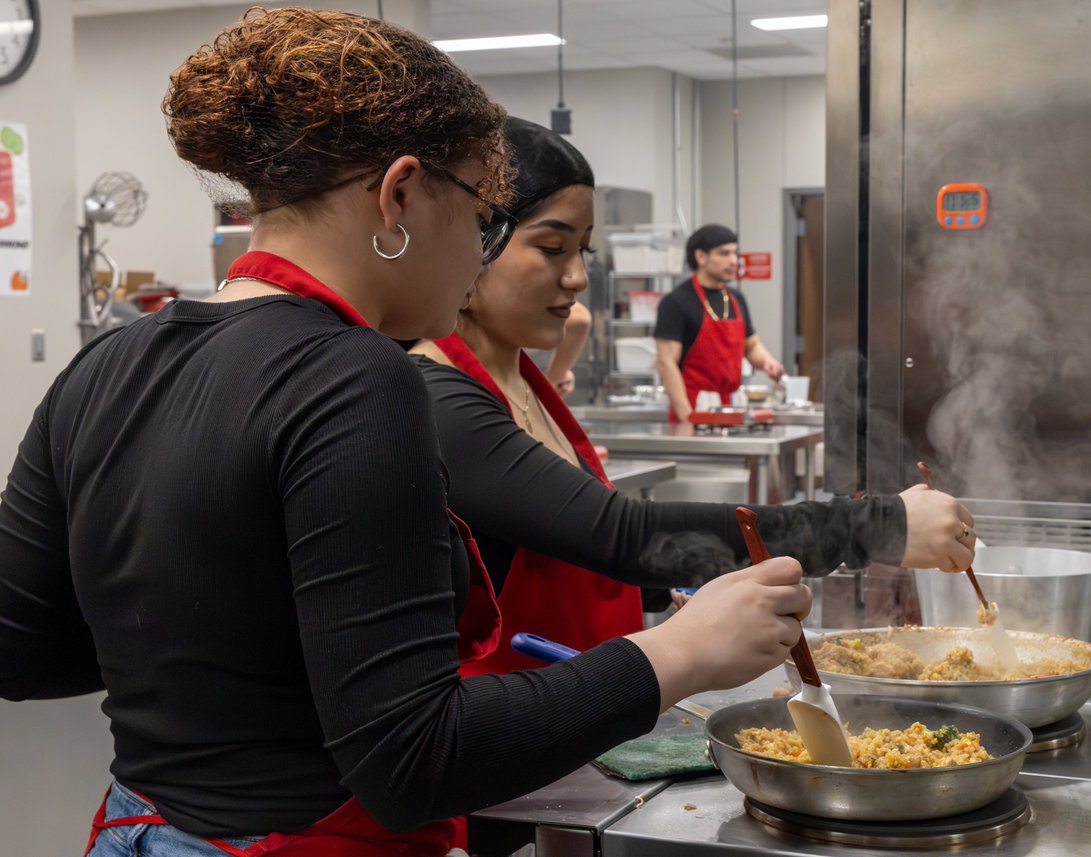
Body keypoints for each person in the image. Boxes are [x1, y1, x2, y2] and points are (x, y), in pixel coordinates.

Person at [0, 10, 814, 857]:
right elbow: (413, 757)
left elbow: (22, 651)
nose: (478, 254)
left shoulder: (106, 365)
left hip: (135, 834)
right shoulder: (355, 377)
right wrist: (677, 652)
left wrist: (208, 649)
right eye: (481, 216)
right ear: (401, 194)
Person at [411, 117, 978, 675]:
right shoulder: (438, 403)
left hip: (590, 723)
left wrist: (660, 596)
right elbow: (620, 534)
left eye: (583, 249)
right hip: (519, 736)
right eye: (553, 247)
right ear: (474, 241)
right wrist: (874, 525)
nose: (578, 277)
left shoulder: (527, 387)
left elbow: (569, 548)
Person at [654, 224, 787, 423]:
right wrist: (687, 417)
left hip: (733, 404)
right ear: (701, 257)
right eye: (724, 253)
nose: (733, 261)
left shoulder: (736, 298)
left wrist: (768, 362)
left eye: (735, 253)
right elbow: (667, 364)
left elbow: (751, 345)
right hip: (696, 405)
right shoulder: (676, 302)